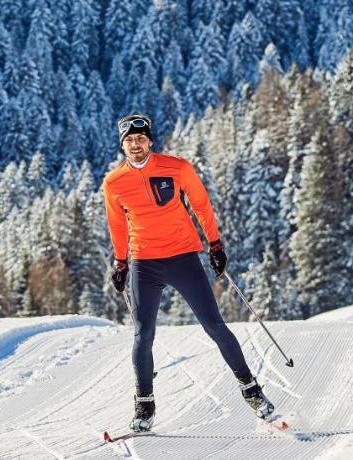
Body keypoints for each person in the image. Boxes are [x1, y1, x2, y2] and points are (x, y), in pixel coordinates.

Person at [102, 113, 274, 432]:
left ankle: (251, 390)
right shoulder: (113, 182)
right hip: (144, 263)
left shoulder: (177, 168)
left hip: (183, 258)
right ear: (122, 145)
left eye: (141, 139)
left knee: (214, 325)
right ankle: (144, 406)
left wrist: (215, 244)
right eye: (129, 140)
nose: (135, 144)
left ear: (150, 141)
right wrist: (120, 262)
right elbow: (116, 224)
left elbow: (201, 204)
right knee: (143, 334)